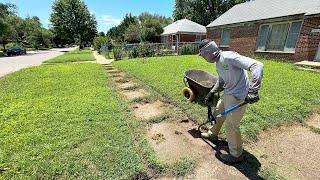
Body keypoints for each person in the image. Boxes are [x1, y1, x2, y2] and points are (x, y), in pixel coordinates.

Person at [198, 39, 264, 163]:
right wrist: (212, 92)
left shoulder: (229, 56)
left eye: (203, 55)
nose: (203, 58)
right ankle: (213, 134)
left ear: (208, 52)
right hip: (228, 93)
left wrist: (253, 90)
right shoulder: (218, 63)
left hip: (238, 96)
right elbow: (222, 80)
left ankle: (236, 155)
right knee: (217, 113)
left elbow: (257, 65)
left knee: (231, 125)